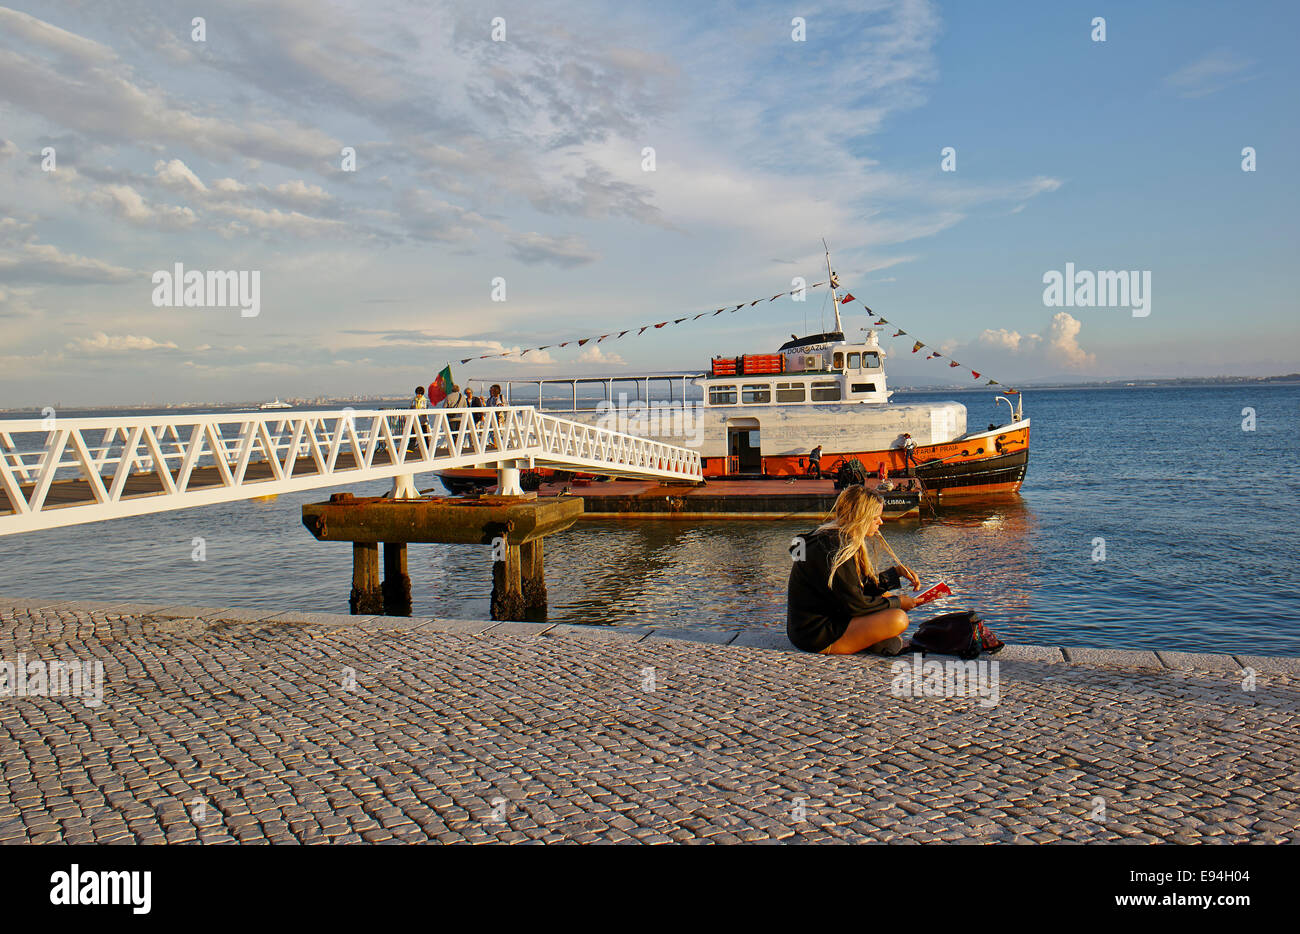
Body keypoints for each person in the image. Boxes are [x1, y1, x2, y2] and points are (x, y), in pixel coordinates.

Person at [787, 485, 921, 655]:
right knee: (899, 618)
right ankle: (866, 642)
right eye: (875, 518)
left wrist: (896, 574)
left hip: (809, 627)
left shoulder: (829, 537)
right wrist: (899, 603)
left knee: (886, 600)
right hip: (815, 635)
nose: (881, 522)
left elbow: (853, 588)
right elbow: (855, 604)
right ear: (861, 518)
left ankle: (870, 641)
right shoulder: (837, 548)